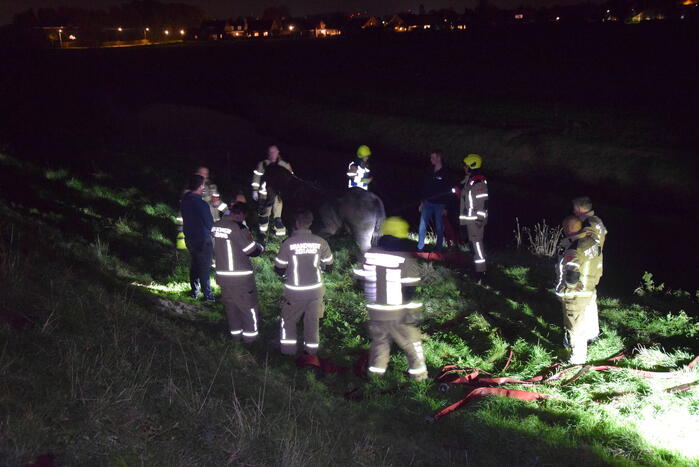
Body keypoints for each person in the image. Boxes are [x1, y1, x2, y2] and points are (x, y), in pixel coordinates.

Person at [354, 217, 427, 381]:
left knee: (380, 342)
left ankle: (375, 375)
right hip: (396, 312)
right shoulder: (405, 258)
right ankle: (419, 376)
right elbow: (409, 288)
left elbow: (360, 280)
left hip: (375, 311)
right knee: (410, 342)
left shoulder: (370, 254)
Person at [274, 211, 333, 355]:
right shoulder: (321, 242)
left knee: (288, 321)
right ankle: (311, 353)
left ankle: (288, 352)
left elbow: (279, 268)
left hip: (295, 292)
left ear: (297, 223)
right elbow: (329, 265)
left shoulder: (288, 243)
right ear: (310, 223)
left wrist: (287, 273)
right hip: (315, 292)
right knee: (312, 322)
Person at [212, 202, 264, 342]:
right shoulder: (238, 227)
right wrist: (261, 248)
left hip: (222, 276)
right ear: (241, 214)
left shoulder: (216, 226)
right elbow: (251, 250)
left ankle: (236, 337)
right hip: (240, 278)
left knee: (231, 308)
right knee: (249, 308)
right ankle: (250, 341)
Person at [555, 215, 603, 364]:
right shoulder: (592, 241)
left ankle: (577, 359)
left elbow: (572, 271)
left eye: (564, 228)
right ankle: (592, 337)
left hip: (575, 294)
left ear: (568, 229)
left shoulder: (573, 247)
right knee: (589, 315)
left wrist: (569, 286)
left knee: (575, 326)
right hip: (590, 289)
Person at [572, 196, 607, 343]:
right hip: (595, 264)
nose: (573, 211)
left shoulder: (588, 223)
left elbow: (586, 241)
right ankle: (593, 333)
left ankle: (582, 336)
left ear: (579, 209)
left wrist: (571, 240)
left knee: (583, 301)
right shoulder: (597, 220)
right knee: (591, 299)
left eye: (574, 209)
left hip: (587, 267)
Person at [180, 174, 215, 301]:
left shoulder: (185, 200)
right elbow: (209, 223)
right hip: (203, 239)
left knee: (195, 265)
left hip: (189, 238)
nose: (204, 187)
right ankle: (208, 295)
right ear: (200, 187)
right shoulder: (202, 204)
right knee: (204, 267)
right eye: (203, 185)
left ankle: (194, 291)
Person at [251, 145, 294, 236]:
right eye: (270, 152)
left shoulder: (285, 164)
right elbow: (256, 177)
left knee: (278, 214)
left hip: (279, 195)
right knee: (264, 213)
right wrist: (255, 190)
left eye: (274, 152)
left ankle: (280, 233)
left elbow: (290, 179)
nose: (272, 154)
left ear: (278, 152)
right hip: (265, 194)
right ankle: (262, 233)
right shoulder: (263, 164)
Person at [418, 151, 454, 251]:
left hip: (440, 204)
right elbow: (425, 186)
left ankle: (439, 249)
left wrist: (446, 207)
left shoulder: (446, 172)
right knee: (422, 225)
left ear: (439, 158)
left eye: (433, 157)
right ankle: (420, 247)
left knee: (439, 227)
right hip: (427, 203)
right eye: (430, 158)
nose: (431, 160)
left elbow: (448, 190)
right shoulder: (429, 170)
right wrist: (422, 201)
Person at [459, 154, 489, 274]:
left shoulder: (478, 181)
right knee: (473, 244)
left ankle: (481, 271)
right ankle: (476, 267)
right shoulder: (470, 179)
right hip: (470, 218)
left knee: (477, 244)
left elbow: (483, 202)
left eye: (466, 166)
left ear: (472, 166)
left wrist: (480, 219)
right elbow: (467, 198)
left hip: (475, 218)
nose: (464, 168)